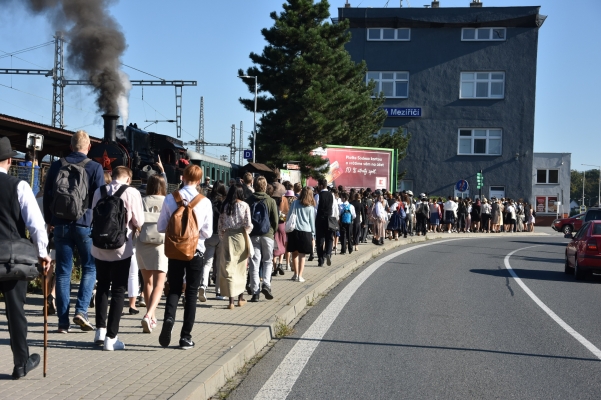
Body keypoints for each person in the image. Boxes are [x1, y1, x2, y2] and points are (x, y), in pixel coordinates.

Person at [43, 130, 105, 333]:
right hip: (85, 224)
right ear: (88, 147)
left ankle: (62, 323)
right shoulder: (95, 167)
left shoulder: (56, 165)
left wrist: (49, 221)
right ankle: (81, 311)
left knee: (62, 272)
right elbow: (101, 200)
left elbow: (47, 195)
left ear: (71, 146)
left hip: (60, 224)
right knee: (89, 267)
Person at [0, 136, 51, 379]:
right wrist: (43, 254)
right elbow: (36, 224)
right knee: (15, 312)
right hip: (11, 260)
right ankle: (21, 364)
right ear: (10, 160)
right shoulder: (18, 186)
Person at [157, 164, 212, 349]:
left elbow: (160, 227)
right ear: (199, 180)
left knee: (174, 289)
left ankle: (169, 319)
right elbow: (207, 232)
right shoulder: (204, 202)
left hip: (174, 251)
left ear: (183, 177)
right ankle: (185, 337)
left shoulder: (169, 199)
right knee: (191, 293)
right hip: (196, 251)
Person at [91, 166, 144, 350]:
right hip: (121, 248)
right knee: (119, 290)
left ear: (112, 176)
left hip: (99, 248)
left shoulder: (99, 191)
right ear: (128, 178)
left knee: (103, 286)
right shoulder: (131, 192)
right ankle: (111, 338)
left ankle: (99, 330)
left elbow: (93, 215)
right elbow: (139, 221)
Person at [136, 174, 168, 333]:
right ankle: (149, 315)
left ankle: (152, 316)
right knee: (159, 284)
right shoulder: (168, 201)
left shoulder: (141, 200)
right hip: (161, 245)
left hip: (142, 243)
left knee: (146, 282)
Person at [218, 184, 253, 309]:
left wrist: (222, 237)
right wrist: (245, 233)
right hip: (240, 236)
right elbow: (248, 223)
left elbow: (220, 224)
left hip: (228, 236)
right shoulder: (244, 205)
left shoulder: (225, 206)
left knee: (229, 267)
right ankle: (240, 298)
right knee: (241, 267)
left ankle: (230, 301)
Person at [246, 176, 279, 301]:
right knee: (267, 261)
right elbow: (275, 220)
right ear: (265, 186)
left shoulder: (249, 200)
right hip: (267, 235)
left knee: (254, 263)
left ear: (254, 185)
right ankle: (266, 284)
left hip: (254, 234)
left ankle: (255, 292)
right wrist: (272, 232)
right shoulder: (270, 201)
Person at [200, 183, 228, 302]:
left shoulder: (207, 201)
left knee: (207, 263)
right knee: (220, 264)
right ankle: (219, 291)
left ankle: (203, 286)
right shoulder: (225, 204)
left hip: (209, 236)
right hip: (221, 235)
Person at [287, 187, 316, 282]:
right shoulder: (311, 208)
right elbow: (312, 222)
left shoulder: (294, 203)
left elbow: (289, 216)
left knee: (294, 253)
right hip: (306, 231)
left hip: (294, 230)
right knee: (302, 255)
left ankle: (295, 274)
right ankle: (300, 275)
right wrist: (313, 234)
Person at [314, 178, 337, 267]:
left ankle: (320, 260)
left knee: (320, 240)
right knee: (329, 238)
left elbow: (315, 210)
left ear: (320, 185)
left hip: (320, 219)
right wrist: (335, 218)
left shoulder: (318, 196)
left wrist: (315, 220)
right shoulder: (332, 196)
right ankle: (328, 253)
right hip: (330, 219)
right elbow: (335, 209)